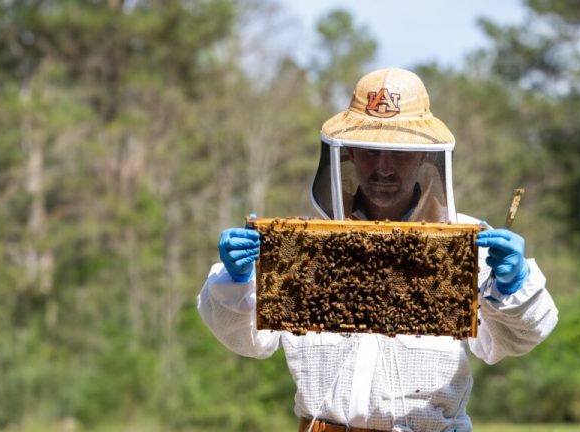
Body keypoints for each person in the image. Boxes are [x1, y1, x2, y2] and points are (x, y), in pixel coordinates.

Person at [198, 68, 558, 432]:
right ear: (350, 152)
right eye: (371, 151)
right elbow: (248, 341)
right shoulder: (304, 245)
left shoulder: (465, 244)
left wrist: (513, 286)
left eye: (399, 154)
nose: (383, 168)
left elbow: (512, 341)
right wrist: (236, 282)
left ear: (423, 157)